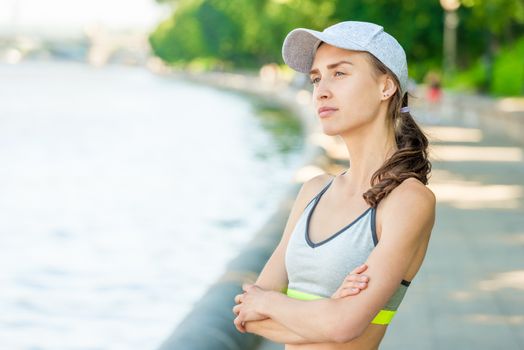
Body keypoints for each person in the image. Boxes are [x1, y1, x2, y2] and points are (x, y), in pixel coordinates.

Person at [233, 20, 436, 349]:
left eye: (339, 73)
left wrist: (270, 303)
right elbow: (248, 316)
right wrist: (326, 313)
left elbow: (343, 326)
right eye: (316, 78)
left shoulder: (409, 201)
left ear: (386, 86)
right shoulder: (314, 190)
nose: (321, 90)